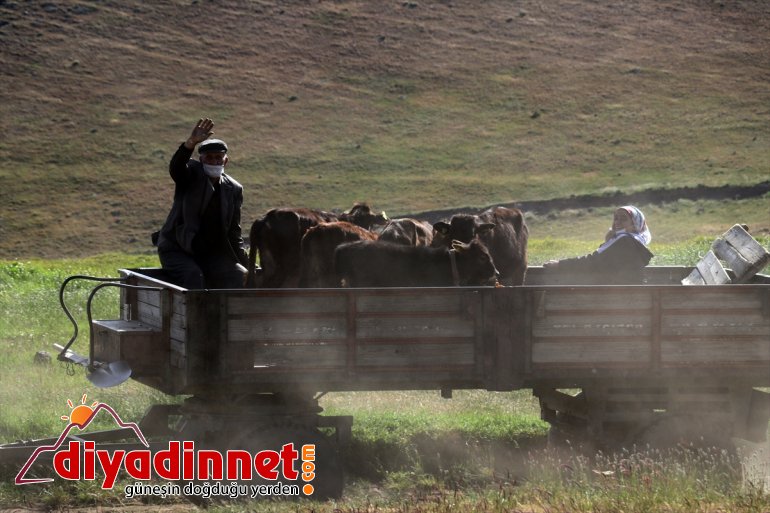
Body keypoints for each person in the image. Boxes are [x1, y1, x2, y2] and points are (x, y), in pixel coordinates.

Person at [155, 118, 249, 289]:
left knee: (240, 277)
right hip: (177, 249)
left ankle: (226, 316)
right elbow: (176, 167)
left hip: (211, 254)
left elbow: (234, 232)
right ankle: (198, 316)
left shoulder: (233, 189)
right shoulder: (190, 176)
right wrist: (190, 143)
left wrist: (249, 266)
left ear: (225, 161)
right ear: (201, 160)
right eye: (209, 158)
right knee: (193, 276)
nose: (214, 162)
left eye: (218, 158)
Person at [543, 205, 654, 281]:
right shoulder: (637, 242)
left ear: (634, 224)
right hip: (629, 294)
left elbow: (592, 261)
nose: (617, 222)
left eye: (623, 218)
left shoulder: (623, 240)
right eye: (616, 218)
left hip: (612, 295)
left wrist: (560, 264)